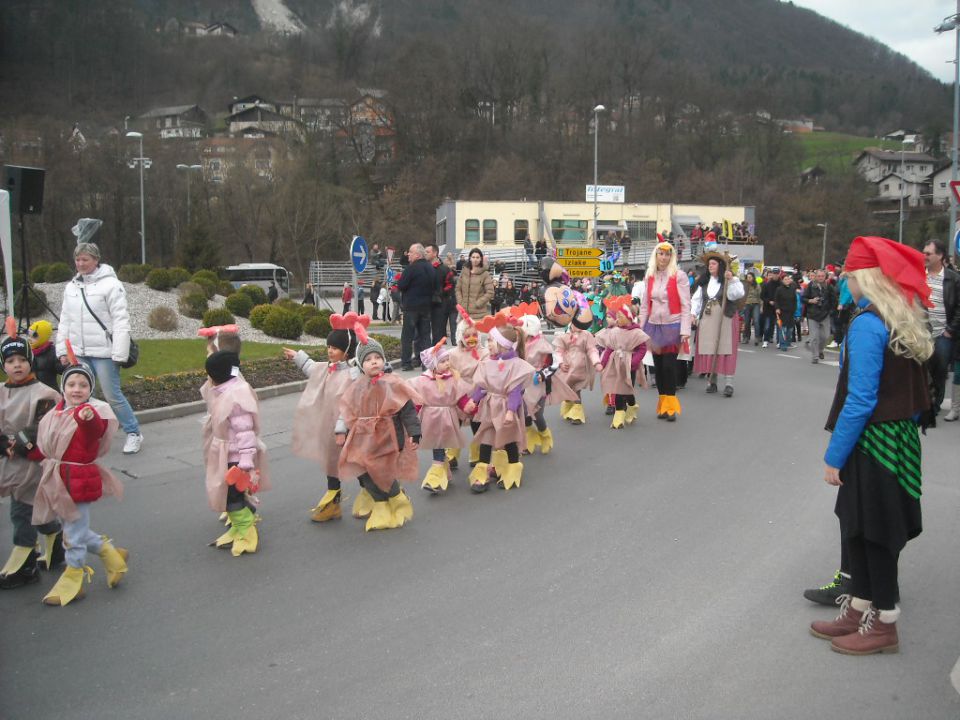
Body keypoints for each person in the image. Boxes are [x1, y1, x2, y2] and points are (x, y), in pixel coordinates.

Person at [810, 236, 934, 655]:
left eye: (850, 272)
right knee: (861, 524)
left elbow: (860, 399)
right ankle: (858, 607)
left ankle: (883, 624)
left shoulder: (866, 323)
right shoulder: (898, 316)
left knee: (874, 529)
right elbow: (915, 395)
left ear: (865, 277)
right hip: (896, 438)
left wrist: (834, 456)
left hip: (873, 439)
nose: (845, 278)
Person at [31, 352, 127, 606]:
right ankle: (110, 555)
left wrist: (87, 419)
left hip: (79, 479)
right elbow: (45, 444)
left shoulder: (92, 413)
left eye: (83, 385)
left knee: (73, 532)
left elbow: (95, 430)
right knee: (73, 527)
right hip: (58, 479)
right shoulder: (57, 412)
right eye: (72, 384)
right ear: (63, 387)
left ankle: (73, 576)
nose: (77, 389)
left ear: (90, 389)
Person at [56, 242, 142, 454]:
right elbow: (65, 320)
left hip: (104, 352)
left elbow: (121, 319)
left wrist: (119, 353)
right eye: (78, 259)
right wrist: (62, 350)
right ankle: (84, 433)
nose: (81, 263)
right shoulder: (71, 287)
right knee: (81, 394)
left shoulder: (111, 285)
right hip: (80, 351)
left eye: (85, 259)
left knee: (112, 395)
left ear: (96, 260)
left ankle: (133, 432)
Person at [335, 329, 421, 531]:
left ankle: (394, 498)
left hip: (389, 438)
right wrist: (342, 431)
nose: (374, 362)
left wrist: (414, 431)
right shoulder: (357, 386)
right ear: (360, 365)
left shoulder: (393, 383)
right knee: (364, 472)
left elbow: (407, 409)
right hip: (364, 440)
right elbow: (347, 410)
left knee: (384, 473)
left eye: (377, 358)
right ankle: (381, 502)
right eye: (368, 359)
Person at [0, 323, 63, 590]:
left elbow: (43, 426)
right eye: (10, 361)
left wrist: (18, 442)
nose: (17, 365)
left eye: (22, 359)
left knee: (22, 510)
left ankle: (25, 560)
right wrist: (5, 444)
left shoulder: (45, 394)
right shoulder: (2, 392)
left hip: (34, 461)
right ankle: (55, 541)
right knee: (37, 507)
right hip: (11, 460)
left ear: (31, 361)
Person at [199, 326, 270, 557]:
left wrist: (245, 461)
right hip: (225, 452)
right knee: (229, 494)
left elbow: (245, 430)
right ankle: (241, 524)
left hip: (236, 456)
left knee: (232, 495)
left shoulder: (236, 396)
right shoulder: (224, 388)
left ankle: (245, 529)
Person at [284, 313, 361, 522]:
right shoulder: (327, 369)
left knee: (357, 462)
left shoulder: (352, 374)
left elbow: (351, 404)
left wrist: (343, 428)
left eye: (334, 348)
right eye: (328, 347)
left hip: (347, 429)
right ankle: (332, 498)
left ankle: (375, 493)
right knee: (331, 462)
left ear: (346, 352)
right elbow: (312, 368)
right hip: (329, 429)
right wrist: (298, 357)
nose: (329, 351)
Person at [465, 317, 535, 492]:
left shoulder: (516, 365)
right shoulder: (488, 363)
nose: (487, 344)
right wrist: (473, 400)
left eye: (491, 340)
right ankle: (482, 472)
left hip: (505, 408)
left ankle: (513, 468)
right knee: (486, 438)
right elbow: (482, 386)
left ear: (503, 344)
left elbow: (515, 391)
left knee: (508, 439)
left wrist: (511, 411)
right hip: (489, 407)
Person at [637, 241, 691, 422]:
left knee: (669, 367)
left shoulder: (679, 276)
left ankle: (671, 407)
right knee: (658, 368)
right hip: (653, 326)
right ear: (656, 255)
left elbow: (686, 304)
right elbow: (645, 305)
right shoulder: (649, 276)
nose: (664, 257)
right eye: (661, 254)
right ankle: (663, 405)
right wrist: (640, 329)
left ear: (671, 257)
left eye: (667, 254)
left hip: (672, 326)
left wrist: (685, 330)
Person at [410, 339, 472, 494]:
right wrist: (414, 416)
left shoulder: (452, 378)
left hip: (447, 417)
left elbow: (460, 396)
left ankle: (435, 477)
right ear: (433, 365)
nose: (447, 364)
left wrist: (467, 405)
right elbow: (418, 399)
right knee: (438, 443)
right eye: (443, 361)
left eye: (447, 360)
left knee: (440, 444)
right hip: (431, 418)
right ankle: (443, 470)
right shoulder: (423, 381)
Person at [691, 252, 745, 396]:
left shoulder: (728, 281)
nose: (710, 266)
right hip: (708, 319)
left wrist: (732, 279)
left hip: (725, 318)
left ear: (720, 266)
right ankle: (712, 381)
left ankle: (728, 384)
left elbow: (737, 294)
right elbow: (697, 300)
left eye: (713, 264)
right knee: (710, 348)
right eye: (709, 264)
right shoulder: (704, 283)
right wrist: (693, 314)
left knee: (725, 349)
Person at [596, 296, 649, 429]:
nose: (617, 319)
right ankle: (619, 415)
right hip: (615, 364)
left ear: (629, 317)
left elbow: (642, 349)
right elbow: (609, 348)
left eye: (620, 316)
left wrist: (633, 362)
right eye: (617, 316)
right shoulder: (614, 332)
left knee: (627, 389)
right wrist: (602, 363)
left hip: (629, 364)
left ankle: (631, 405)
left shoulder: (637, 333)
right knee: (617, 388)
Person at [923, 240, 959, 417]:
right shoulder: (919, 275)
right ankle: (923, 402)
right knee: (921, 368)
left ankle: (935, 405)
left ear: (940, 256)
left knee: (940, 370)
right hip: (922, 333)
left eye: (929, 253)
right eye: (924, 252)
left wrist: (950, 330)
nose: (925, 256)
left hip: (943, 333)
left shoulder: (952, 278)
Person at [397, 243, 435, 371]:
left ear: (418, 255)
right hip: (426, 307)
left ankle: (406, 363)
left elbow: (401, 285)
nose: (408, 254)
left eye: (411, 252)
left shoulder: (411, 268)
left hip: (411, 307)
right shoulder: (430, 268)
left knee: (407, 336)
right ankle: (426, 364)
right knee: (425, 336)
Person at [804, 269, 835, 364]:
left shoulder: (829, 287)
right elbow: (803, 298)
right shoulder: (810, 286)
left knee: (826, 336)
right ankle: (815, 356)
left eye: (822, 276)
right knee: (814, 337)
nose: (820, 278)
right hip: (813, 314)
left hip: (825, 314)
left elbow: (833, 300)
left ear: (825, 277)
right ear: (815, 276)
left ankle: (820, 349)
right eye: (819, 276)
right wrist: (810, 301)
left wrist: (831, 310)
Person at [456, 248, 495, 322]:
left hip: (478, 314)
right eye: (473, 257)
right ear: (470, 258)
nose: (475, 259)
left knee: (476, 333)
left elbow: (490, 292)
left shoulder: (485, 274)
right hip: (463, 314)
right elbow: (458, 288)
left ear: (481, 259)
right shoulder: (464, 272)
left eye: (477, 257)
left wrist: (478, 303)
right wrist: (460, 301)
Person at [27, 320, 62, 391]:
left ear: (43, 336)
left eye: (34, 336)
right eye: (28, 334)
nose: (29, 339)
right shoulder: (30, 352)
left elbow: (60, 369)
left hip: (50, 392)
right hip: (34, 391)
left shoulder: (52, 352)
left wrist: (65, 364)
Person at [774, 274, 798, 351]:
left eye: (788, 279)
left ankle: (788, 342)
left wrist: (795, 309)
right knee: (782, 329)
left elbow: (795, 300)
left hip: (791, 312)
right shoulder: (779, 289)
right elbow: (776, 300)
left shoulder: (792, 289)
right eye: (785, 279)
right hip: (782, 312)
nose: (787, 281)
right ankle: (783, 344)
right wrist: (777, 308)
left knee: (790, 329)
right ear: (782, 281)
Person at [759, 270, 779, 348]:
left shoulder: (780, 284)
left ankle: (776, 340)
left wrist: (777, 303)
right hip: (768, 307)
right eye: (772, 274)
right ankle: (765, 340)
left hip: (777, 308)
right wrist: (768, 301)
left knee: (775, 325)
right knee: (767, 325)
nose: (774, 276)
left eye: (776, 274)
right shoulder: (766, 284)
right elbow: (762, 296)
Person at [740, 272, 762, 345]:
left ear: (753, 278)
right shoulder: (744, 285)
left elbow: (760, 296)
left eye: (750, 277)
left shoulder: (757, 285)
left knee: (756, 321)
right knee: (746, 322)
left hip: (756, 304)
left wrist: (761, 306)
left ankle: (757, 337)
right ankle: (746, 337)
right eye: (748, 277)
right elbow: (742, 296)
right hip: (747, 304)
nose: (749, 278)